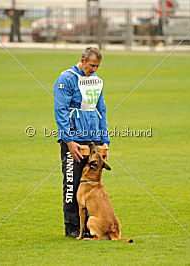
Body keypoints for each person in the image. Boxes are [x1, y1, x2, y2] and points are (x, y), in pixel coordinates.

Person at [54, 47, 110, 238]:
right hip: (74, 140)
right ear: (83, 60)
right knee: (72, 183)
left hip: (93, 139)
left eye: (97, 66)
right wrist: (68, 140)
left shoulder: (96, 81)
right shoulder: (66, 79)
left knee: (91, 186)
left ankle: (88, 228)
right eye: (92, 65)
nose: (94, 69)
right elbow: (60, 111)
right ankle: (72, 228)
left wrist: (105, 141)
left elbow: (101, 110)